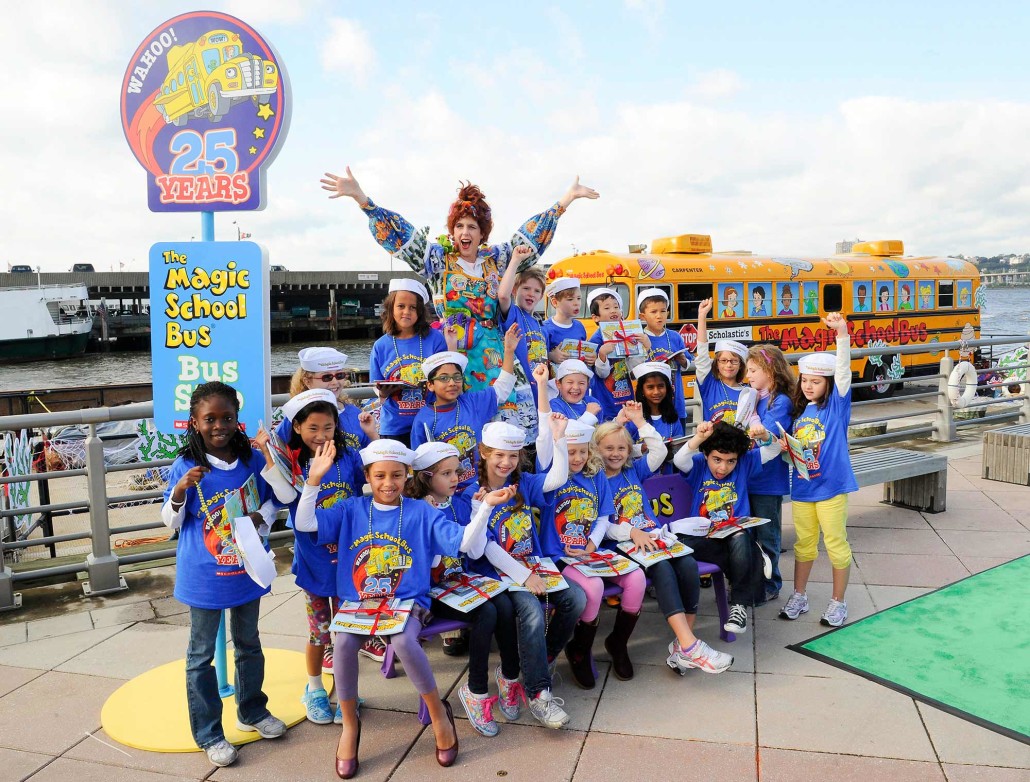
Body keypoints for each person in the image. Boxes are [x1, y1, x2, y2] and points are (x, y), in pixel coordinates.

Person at [321, 168, 598, 428]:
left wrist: (565, 201)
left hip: (494, 355)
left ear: (482, 233)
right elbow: (403, 239)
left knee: (504, 426)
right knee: (459, 424)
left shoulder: (496, 260)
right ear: (452, 231)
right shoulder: (438, 260)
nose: (465, 233)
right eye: (460, 226)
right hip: (454, 353)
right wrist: (362, 199)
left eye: (473, 227)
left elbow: (529, 239)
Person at [294, 439, 493, 777]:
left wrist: (485, 507)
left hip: (408, 600)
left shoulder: (420, 511)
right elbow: (305, 524)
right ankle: (350, 725)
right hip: (359, 601)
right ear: (368, 477)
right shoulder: (351, 508)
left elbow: (463, 543)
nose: (388, 483)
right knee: (341, 642)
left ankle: (438, 714)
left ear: (407, 475)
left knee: (402, 640)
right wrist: (313, 481)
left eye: (397, 476)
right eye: (380, 476)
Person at [161, 382, 297, 768]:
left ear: (237, 420)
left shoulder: (251, 460)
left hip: (246, 569)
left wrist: (261, 516)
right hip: (203, 575)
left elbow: (276, 502)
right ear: (194, 422)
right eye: (210, 419)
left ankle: (252, 710)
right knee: (200, 655)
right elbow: (170, 522)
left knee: (249, 643)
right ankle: (209, 733)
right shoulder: (185, 466)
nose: (219, 425)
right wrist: (179, 492)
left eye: (227, 417)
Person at [463, 376, 582, 728]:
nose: (507, 463)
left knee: (575, 600)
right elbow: (482, 546)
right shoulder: (472, 492)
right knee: (530, 612)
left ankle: (534, 664)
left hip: (532, 564)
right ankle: (538, 693)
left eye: (513, 456)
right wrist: (523, 576)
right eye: (499, 455)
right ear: (484, 453)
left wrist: (559, 442)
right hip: (496, 574)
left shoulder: (523, 483)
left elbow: (556, 479)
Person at [593, 415, 734, 675]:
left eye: (621, 448)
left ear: (629, 450)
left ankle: (684, 646)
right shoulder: (595, 480)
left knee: (688, 566)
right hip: (622, 543)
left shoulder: (632, 470)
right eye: (608, 448)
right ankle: (691, 647)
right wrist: (632, 531)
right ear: (597, 449)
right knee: (663, 571)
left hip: (656, 537)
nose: (615, 454)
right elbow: (600, 526)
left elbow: (658, 448)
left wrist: (638, 421)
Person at [405, 441, 521, 738]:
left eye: (457, 471)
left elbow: (476, 548)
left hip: (460, 581)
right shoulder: (416, 510)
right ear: (425, 477)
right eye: (446, 473)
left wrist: (476, 510)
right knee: (485, 612)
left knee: (504, 604)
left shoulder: (456, 501)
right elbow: (430, 560)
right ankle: (476, 690)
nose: (456, 478)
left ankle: (509, 676)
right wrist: (482, 510)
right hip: (429, 590)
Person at [537, 418, 645, 689]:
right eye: (571, 451)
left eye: (582, 451)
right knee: (594, 588)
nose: (577, 458)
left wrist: (592, 545)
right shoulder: (551, 473)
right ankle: (580, 649)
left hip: (588, 551)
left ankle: (617, 644)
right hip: (559, 554)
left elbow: (604, 517)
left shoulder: (595, 474)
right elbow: (543, 444)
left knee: (637, 579)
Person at [280, 390, 366, 725]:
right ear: (297, 427)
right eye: (312, 428)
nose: (321, 435)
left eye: (328, 427)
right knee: (320, 633)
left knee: (347, 635)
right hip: (314, 561)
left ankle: (348, 690)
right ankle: (314, 689)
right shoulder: (291, 463)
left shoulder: (349, 457)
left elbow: (367, 484)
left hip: (349, 561)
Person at [779, 312, 858, 628]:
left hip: (831, 488)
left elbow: (844, 371)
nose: (809, 386)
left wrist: (841, 333)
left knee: (836, 544)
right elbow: (797, 451)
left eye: (816, 381)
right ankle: (800, 595)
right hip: (802, 488)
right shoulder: (799, 411)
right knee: (804, 544)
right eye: (805, 380)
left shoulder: (837, 406)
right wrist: (787, 448)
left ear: (828, 384)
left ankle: (838, 603)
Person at [671, 420, 781, 635]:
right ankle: (755, 555)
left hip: (734, 536)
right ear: (706, 455)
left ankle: (738, 605)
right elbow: (679, 459)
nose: (723, 467)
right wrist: (699, 438)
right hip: (703, 538)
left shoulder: (744, 464)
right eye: (717, 459)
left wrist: (766, 435)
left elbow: (774, 449)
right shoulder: (699, 466)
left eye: (730, 461)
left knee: (739, 536)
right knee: (684, 543)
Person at [410, 328, 519, 490]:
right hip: (446, 493)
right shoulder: (424, 420)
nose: (452, 383)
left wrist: (509, 351)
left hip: (480, 488)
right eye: (444, 378)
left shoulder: (472, 402)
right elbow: (419, 465)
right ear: (430, 385)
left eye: (456, 377)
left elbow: (503, 388)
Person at [369, 278, 449, 447]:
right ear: (391, 308)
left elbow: (445, 377)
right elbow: (375, 384)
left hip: (431, 422)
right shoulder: (380, 346)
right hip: (394, 427)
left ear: (420, 311)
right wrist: (383, 393)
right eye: (401, 306)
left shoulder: (435, 340)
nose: (406, 311)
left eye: (413, 307)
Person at [743, 345, 796, 603]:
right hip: (748, 477)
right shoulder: (754, 397)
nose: (748, 375)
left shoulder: (780, 401)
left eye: (753, 370)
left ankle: (771, 582)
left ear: (769, 370)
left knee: (767, 535)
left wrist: (760, 432)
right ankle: (752, 580)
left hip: (768, 481)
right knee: (748, 536)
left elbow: (770, 433)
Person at [281, 347, 378, 451]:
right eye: (326, 377)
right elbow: (278, 449)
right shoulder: (296, 416)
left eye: (339, 375)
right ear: (307, 381)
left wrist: (372, 434)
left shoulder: (357, 416)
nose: (335, 382)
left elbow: (373, 455)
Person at [497, 254, 549, 443]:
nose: (531, 294)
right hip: (519, 395)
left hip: (539, 394)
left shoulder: (538, 324)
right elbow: (502, 296)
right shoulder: (514, 314)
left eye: (536, 291)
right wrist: (516, 260)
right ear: (514, 290)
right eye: (525, 288)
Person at [588, 288, 650, 421]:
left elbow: (634, 371)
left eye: (616, 307)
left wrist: (644, 346)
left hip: (626, 396)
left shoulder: (628, 333)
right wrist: (602, 354)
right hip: (605, 400)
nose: (613, 310)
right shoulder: (596, 340)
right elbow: (601, 374)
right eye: (607, 308)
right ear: (595, 317)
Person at [636, 288, 690, 427]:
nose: (659, 316)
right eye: (653, 312)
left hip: (675, 401)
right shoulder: (639, 338)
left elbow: (689, 363)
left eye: (663, 311)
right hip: (650, 403)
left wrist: (683, 361)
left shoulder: (674, 336)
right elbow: (634, 368)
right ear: (642, 316)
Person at [695, 298, 748, 423]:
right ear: (716, 363)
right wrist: (702, 316)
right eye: (723, 360)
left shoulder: (747, 392)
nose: (728, 365)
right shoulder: (709, 385)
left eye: (734, 361)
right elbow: (702, 354)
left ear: (741, 365)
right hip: (714, 442)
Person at [632, 362, 684, 473]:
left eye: (661, 386)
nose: (656, 392)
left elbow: (680, 454)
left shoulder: (673, 419)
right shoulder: (634, 418)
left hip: (665, 480)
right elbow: (622, 450)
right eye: (650, 387)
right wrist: (641, 449)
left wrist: (669, 452)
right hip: (639, 478)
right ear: (642, 390)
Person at [543, 277, 591, 364]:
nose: (576, 303)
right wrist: (551, 356)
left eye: (579, 298)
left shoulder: (579, 326)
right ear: (555, 302)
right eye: (570, 299)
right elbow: (538, 356)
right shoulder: (545, 328)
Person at [550, 359, 603, 425]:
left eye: (581, 383)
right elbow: (564, 432)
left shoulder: (593, 402)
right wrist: (589, 415)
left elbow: (601, 432)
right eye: (570, 382)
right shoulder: (556, 405)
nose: (575, 387)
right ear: (558, 384)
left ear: (588, 384)